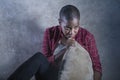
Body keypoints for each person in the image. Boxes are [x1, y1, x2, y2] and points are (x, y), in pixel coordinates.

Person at [7, 5, 102, 80]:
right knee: (39, 57)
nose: (72, 32)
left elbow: (97, 67)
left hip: (74, 77)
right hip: (52, 76)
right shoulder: (50, 33)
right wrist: (65, 49)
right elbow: (46, 60)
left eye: (76, 27)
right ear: (60, 22)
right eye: (67, 28)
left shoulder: (87, 37)